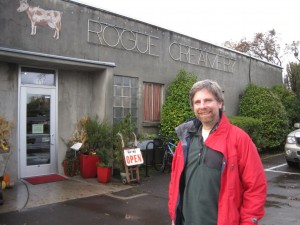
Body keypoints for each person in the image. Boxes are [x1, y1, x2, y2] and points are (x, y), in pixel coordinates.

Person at [168, 79, 267, 225]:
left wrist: (248, 222)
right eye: (197, 102)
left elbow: (256, 187)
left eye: (208, 100)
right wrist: (173, 215)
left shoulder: (239, 139)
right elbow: (175, 181)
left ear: (220, 103)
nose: (202, 106)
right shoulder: (185, 140)